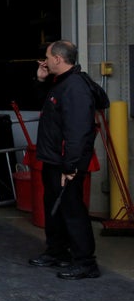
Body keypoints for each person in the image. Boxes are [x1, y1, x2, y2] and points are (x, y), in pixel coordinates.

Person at [28, 40, 101, 280]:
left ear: (58, 59)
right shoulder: (60, 83)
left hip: (66, 163)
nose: (45, 61)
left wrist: (70, 166)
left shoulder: (75, 87)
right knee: (53, 207)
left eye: (47, 58)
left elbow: (77, 131)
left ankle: (85, 262)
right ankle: (57, 251)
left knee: (72, 209)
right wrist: (41, 79)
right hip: (54, 160)